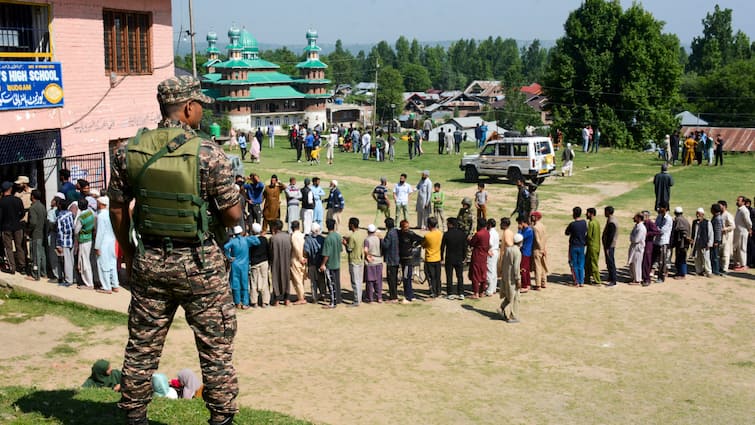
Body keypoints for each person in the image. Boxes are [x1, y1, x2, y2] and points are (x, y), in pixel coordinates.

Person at [109, 76, 241, 425]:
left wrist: (130, 251)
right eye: (199, 105)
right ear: (187, 108)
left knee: (142, 344)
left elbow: (118, 209)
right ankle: (221, 417)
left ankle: (134, 416)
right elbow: (233, 215)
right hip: (200, 264)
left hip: (150, 259)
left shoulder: (128, 152)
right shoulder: (209, 152)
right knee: (216, 346)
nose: (200, 111)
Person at [223, 225, 260, 309]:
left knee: (235, 283)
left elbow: (225, 247)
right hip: (244, 265)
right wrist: (251, 235)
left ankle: (237, 302)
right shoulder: (246, 240)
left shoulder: (232, 241)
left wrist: (228, 257)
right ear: (242, 232)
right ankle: (245, 303)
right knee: (244, 283)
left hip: (235, 263)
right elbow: (257, 241)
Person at [94, 196, 119, 293]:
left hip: (103, 243)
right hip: (112, 241)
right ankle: (115, 284)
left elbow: (100, 232)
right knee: (112, 263)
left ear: (101, 204)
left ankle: (106, 286)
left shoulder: (101, 216)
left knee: (103, 264)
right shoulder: (111, 215)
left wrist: (97, 246)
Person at [0, 181, 25, 274]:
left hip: (5, 227)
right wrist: (17, 219)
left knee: (8, 248)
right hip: (17, 226)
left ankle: (12, 267)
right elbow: (22, 213)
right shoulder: (17, 200)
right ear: (10, 189)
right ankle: (22, 267)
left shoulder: (1, 202)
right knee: (19, 247)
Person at [498, 233, 523, 323]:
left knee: (509, 295)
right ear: (520, 242)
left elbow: (503, 262)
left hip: (506, 276)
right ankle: (513, 316)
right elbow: (516, 268)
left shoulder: (508, 249)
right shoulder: (518, 252)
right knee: (515, 297)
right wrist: (518, 279)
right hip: (512, 278)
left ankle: (501, 308)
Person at [398, 219, 423, 303]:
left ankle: (409, 295)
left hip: (408, 260)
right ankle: (409, 294)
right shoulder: (399, 233)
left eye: (408, 226)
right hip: (402, 259)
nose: (407, 228)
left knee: (407, 277)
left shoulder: (410, 234)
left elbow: (421, 239)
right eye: (405, 227)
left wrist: (414, 246)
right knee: (406, 277)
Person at [441, 218, 466, 300]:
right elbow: (465, 247)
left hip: (449, 258)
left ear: (451, 224)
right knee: (460, 276)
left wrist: (441, 257)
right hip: (459, 257)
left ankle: (450, 293)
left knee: (449, 276)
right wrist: (464, 257)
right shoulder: (462, 234)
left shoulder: (447, 234)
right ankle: (461, 293)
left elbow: (442, 247)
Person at [320, 218, 343, 308]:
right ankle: (338, 298)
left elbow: (326, 254)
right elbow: (340, 249)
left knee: (331, 283)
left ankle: (333, 302)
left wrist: (323, 264)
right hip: (337, 262)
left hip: (330, 264)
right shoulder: (338, 236)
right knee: (337, 282)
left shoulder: (328, 239)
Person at [268, 220, 291, 306]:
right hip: (287, 261)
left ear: (274, 228)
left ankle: (277, 299)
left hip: (276, 262)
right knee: (286, 279)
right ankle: (287, 299)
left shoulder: (273, 238)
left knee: (276, 279)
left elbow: (270, 251)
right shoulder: (288, 237)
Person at [344, 217, 365, 306]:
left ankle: (356, 300)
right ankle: (359, 298)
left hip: (354, 260)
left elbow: (349, 249)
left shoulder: (352, 236)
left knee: (355, 281)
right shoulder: (361, 234)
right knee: (359, 281)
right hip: (360, 259)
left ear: (352, 225)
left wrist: (345, 243)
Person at [74, 198, 95, 289]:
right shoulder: (90, 213)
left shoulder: (81, 217)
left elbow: (76, 230)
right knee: (86, 260)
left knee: (84, 262)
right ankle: (88, 281)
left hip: (83, 239)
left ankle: (88, 283)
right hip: (89, 238)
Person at [26, 190, 47, 281]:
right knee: (42, 254)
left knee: (35, 255)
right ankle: (43, 272)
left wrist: (28, 231)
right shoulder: (42, 206)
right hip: (42, 233)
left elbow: (33, 222)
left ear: (33, 197)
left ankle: (35, 274)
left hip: (35, 234)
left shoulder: (33, 208)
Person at [303, 222, 326, 303]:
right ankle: (323, 295)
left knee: (313, 282)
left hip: (312, 263)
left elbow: (306, 251)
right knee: (321, 280)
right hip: (320, 263)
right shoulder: (322, 239)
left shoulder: (308, 239)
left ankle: (314, 297)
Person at [565, 207, 587, 287]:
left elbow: (566, 233)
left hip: (573, 246)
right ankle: (581, 281)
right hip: (581, 245)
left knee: (574, 264)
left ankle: (576, 281)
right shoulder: (584, 223)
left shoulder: (572, 224)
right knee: (581, 264)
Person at [55, 200, 76, 286]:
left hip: (65, 241)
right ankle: (74, 277)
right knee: (72, 260)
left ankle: (68, 280)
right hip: (72, 239)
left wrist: (58, 245)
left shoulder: (60, 217)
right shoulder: (71, 214)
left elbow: (60, 232)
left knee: (67, 261)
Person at [468, 220, 490, 298]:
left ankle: (476, 293)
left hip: (477, 255)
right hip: (484, 255)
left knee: (475, 274)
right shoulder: (487, 233)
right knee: (483, 273)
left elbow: (472, 243)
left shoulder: (478, 234)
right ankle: (482, 292)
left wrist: (469, 239)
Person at [422, 217, 443, 298]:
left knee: (431, 277)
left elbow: (424, 245)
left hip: (429, 258)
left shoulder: (427, 235)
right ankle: (439, 291)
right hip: (438, 257)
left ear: (429, 225)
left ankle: (433, 291)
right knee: (438, 276)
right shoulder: (440, 233)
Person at [381, 218, 401, 302]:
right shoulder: (396, 232)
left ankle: (393, 297)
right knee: (394, 278)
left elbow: (386, 245)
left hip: (391, 259)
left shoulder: (389, 233)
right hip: (396, 258)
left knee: (391, 279)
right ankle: (394, 294)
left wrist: (381, 240)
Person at [363, 224, 383, 303]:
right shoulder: (378, 239)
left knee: (370, 281)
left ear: (368, 231)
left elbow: (365, 249)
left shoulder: (367, 240)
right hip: (378, 261)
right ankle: (379, 297)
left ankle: (370, 298)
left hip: (371, 262)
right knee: (378, 281)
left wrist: (367, 256)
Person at [653, 204, 673, 283]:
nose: (659, 209)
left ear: (665, 208)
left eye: (661, 207)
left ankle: (661, 277)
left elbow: (662, 230)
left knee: (662, 261)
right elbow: (655, 226)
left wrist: (656, 229)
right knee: (655, 259)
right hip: (657, 241)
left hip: (663, 241)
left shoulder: (668, 219)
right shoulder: (659, 217)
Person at [691, 208, 713, 277]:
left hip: (704, 243)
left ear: (703, 215)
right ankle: (699, 271)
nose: (697, 215)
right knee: (697, 258)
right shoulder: (695, 222)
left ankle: (708, 272)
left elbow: (710, 233)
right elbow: (693, 232)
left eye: (699, 214)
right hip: (696, 243)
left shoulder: (707, 222)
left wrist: (709, 243)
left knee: (706, 258)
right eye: (697, 213)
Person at [733, 196, 752, 270]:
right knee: (737, 248)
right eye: (737, 200)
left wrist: (749, 229)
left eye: (739, 200)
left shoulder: (744, 210)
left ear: (743, 202)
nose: (737, 202)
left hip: (742, 232)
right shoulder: (739, 210)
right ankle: (738, 263)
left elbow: (748, 222)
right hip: (737, 232)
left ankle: (743, 264)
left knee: (742, 248)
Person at [641, 211, 660, 286]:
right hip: (643, 244)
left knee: (647, 262)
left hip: (649, 244)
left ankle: (647, 279)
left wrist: (648, 234)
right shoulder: (643, 223)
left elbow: (657, 232)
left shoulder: (650, 223)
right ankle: (643, 276)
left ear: (647, 216)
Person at [671, 207, 691, 279]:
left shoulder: (678, 220)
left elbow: (679, 230)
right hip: (683, 243)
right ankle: (679, 272)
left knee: (681, 258)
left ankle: (682, 274)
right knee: (680, 258)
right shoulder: (685, 220)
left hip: (682, 243)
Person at [531, 211, 548, 289]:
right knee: (543, 266)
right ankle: (544, 282)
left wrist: (540, 249)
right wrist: (544, 248)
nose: (531, 217)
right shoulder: (543, 226)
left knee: (537, 267)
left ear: (536, 217)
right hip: (544, 248)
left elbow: (537, 240)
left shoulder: (535, 227)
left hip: (537, 249)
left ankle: (538, 284)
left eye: (533, 216)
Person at [584, 208, 602, 285]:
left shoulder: (591, 223)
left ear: (591, 214)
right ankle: (587, 278)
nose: (586, 214)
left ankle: (597, 281)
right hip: (596, 245)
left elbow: (589, 236)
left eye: (587, 213)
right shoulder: (597, 222)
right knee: (587, 263)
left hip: (592, 246)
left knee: (593, 264)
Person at [628, 213, 646, 284]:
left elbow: (636, 239)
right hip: (633, 247)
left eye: (635, 217)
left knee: (637, 264)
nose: (633, 218)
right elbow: (631, 236)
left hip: (638, 248)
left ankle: (637, 280)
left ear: (639, 218)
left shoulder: (641, 228)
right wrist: (632, 238)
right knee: (632, 263)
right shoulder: (636, 226)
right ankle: (633, 278)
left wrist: (632, 238)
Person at [602, 206, 618, 286]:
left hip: (610, 246)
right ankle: (611, 277)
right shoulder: (611, 219)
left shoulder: (611, 222)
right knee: (609, 261)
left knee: (610, 262)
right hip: (610, 245)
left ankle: (613, 280)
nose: (604, 213)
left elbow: (611, 236)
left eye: (605, 211)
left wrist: (607, 247)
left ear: (608, 212)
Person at [485, 218, 500, 296]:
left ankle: (490, 290)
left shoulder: (490, 233)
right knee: (494, 271)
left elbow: (490, 243)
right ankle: (493, 288)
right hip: (496, 251)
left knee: (490, 271)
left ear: (489, 225)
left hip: (491, 251)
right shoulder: (496, 232)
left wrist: (487, 250)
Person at [719, 200, 735, 273]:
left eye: (720, 206)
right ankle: (720, 267)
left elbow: (733, 226)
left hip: (727, 236)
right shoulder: (720, 214)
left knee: (726, 253)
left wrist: (724, 229)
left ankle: (725, 269)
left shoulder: (728, 215)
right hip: (721, 236)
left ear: (724, 206)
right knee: (721, 253)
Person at [710, 203, 724, 276]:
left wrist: (716, 241)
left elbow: (718, 230)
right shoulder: (716, 217)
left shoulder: (718, 218)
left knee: (715, 256)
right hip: (715, 239)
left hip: (716, 240)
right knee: (713, 255)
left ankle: (716, 270)